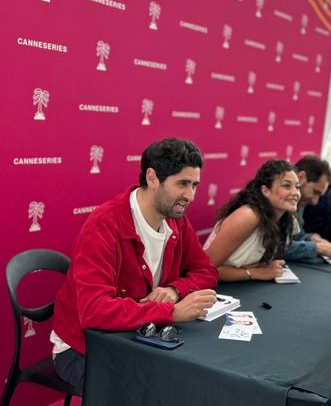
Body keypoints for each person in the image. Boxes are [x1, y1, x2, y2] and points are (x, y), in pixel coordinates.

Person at [51, 138, 219, 392]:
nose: (190, 195)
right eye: (182, 184)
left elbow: (206, 271)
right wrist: (171, 312)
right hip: (83, 349)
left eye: (194, 185)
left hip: (136, 338)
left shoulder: (176, 220)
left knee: (192, 380)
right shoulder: (103, 227)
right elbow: (94, 310)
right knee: (158, 392)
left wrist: (174, 290)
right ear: (152, 178)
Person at [204, 160, 299, 281]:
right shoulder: (249, 215)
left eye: (297, 187)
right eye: (286, 186)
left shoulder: (289, 220)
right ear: (265, 191)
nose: (295, 193)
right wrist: (256, 273)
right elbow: (205, 269)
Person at [285, 155, 331, 262]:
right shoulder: (276, 201)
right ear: (300, 178)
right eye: (315, 192)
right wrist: (318, 248)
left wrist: (310, 238)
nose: (315, 202)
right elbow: (272, 248)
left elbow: (294, 236)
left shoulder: (299, 202)